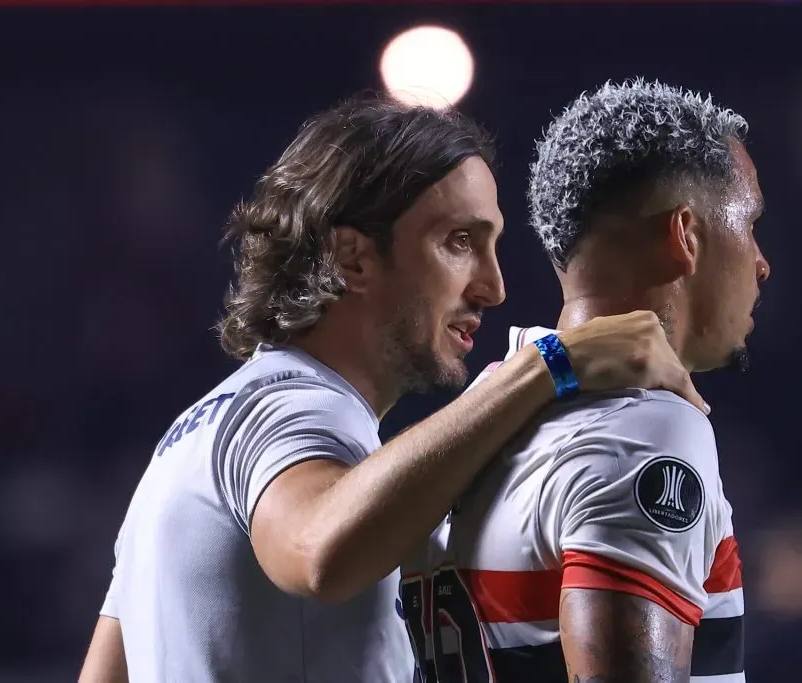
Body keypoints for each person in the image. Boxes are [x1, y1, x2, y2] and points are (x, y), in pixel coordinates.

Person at [77, 94, 707, 683]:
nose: (493, 288)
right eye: (459, 242)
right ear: (353, 257)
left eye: (493, 247)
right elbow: (317, 549)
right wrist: (548, 365)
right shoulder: (294, 411)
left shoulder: (188, 439)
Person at [398, 78, 769, 683]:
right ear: (685, 235)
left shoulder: (481, 410)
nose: (761, 260)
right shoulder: (646, 427)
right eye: (749, 223)